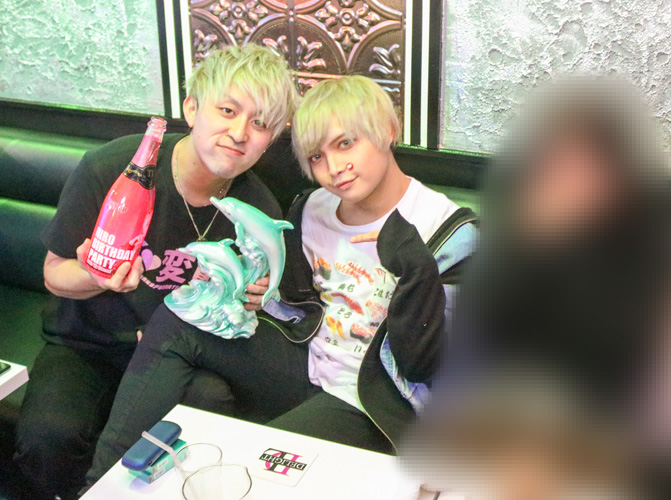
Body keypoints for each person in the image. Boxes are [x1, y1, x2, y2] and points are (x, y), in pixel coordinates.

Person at [85, 75, 479, 485]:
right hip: (306, 363)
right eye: (317, 156)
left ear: (388, 131)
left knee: (255, 469)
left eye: (346, 144)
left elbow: (426, 369)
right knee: (177, 316)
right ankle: (98, 485)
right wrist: (264, 296)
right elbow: (296, 304)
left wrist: (416, 271)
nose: (334, 169)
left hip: (375, 400)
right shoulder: (312, 209)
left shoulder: (449, 232)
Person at [14, 43, 297, 500]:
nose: (239, 133)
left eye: (260, 123)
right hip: (87, 347)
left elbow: (247, 313)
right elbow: (53, 273)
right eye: (227, 110)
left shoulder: (256, 213)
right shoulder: (115, 169)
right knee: (49, 438)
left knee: (212, 413)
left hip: (178, 358)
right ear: (192, 108)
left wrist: (255, 297)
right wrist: (95, 275)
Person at [403, 77, 671, 499]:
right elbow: (472, 374)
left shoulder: (662, 265)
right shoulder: (505, 260)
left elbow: (664, 423)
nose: (565, 190)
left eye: (584, 172)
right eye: (551, 173)